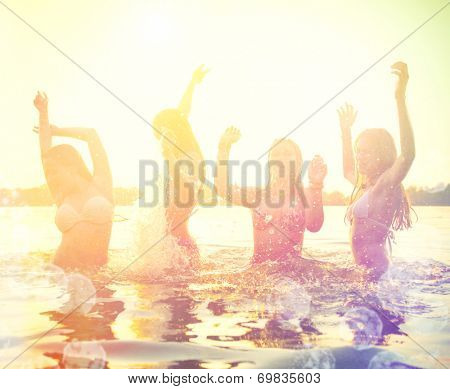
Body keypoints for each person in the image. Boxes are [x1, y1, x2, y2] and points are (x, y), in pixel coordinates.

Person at [337, 62, 415, 279]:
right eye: (358, 151)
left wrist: (400, 98)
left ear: (381, 153)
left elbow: (408, 155)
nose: (359, 157)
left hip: (377, 274)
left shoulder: (385, 185)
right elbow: (346, 171)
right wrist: (345, 132)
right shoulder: (366, 185)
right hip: (366, 272)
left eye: (366, 152)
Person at [215, 127, 327, 264]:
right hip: (258, 272)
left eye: (286, 153)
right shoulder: (257, 195)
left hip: (291, 274)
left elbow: (314, 226)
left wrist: (316, 185)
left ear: (298, 163)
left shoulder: (306, 195)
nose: (281, 157)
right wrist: (223, 149)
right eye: (276, 153)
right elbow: (222, 189)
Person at [33, 91, 113, 268]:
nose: (50, 177)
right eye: (48, 173)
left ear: (70, 165)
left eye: (54, 171)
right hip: (62, 274)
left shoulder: (101, 184)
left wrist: (58, 131)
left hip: (99, 275)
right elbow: (44, 151)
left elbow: (91, 135)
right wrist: (43, 113)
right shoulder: (61, 195)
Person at [151, 66, 208, 259]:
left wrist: (168, 153)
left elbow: (186, 182)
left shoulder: (190, 156)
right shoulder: (178, 153)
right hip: (171, 245)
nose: (160, 136)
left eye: (162, 130)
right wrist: (192, 83)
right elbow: (183, 111)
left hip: (180, 248)